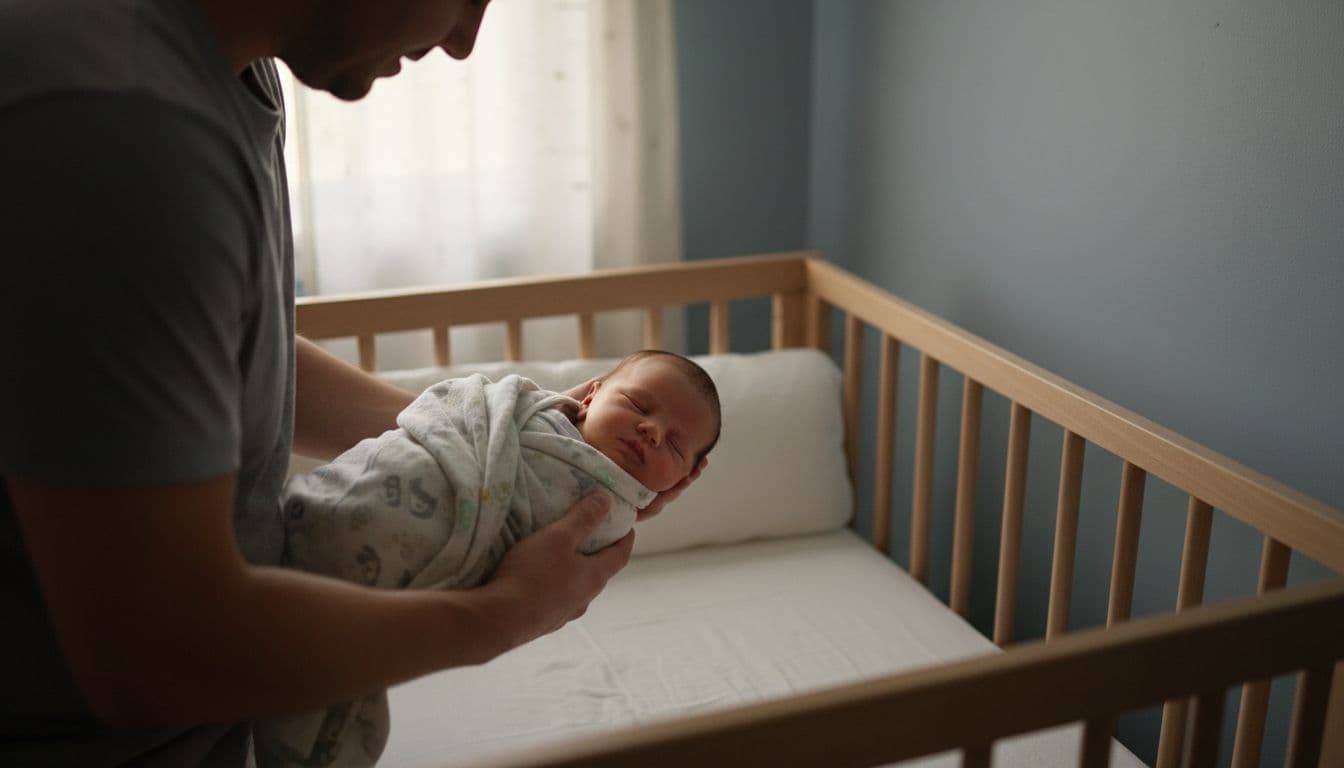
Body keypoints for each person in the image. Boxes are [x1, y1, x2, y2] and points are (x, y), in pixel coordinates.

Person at [0, 0, 703, 765]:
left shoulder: (229, 68)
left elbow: (203, 352)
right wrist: (501, 614)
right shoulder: (120, 125)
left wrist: (487, 451)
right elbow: (157, 655)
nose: (464, 42)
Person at [259, 350, 721, 765]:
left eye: (677, 447)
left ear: (680, 478)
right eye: (639, 406)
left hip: (346, 589)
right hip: (311, 525)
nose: (653, 431)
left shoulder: (610, 517)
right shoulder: (514, 411)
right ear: (592, 394)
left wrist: (629, 500)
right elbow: (460, 412)